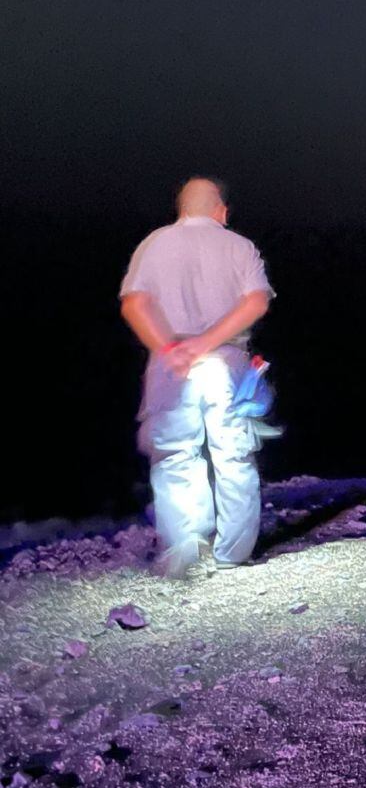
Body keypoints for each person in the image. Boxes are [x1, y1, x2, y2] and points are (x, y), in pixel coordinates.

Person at [120, 178, 274, 578]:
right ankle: (233, 554)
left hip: (172, 365)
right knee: (234, 456)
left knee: (175, 457)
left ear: (182, 209)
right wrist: (206, 342)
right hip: (227, 361)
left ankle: (186, 549)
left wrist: (171, 349)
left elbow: (134, 304)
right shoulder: (240, 246)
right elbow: (257, 301)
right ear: (220, 210)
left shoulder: (155, 243)